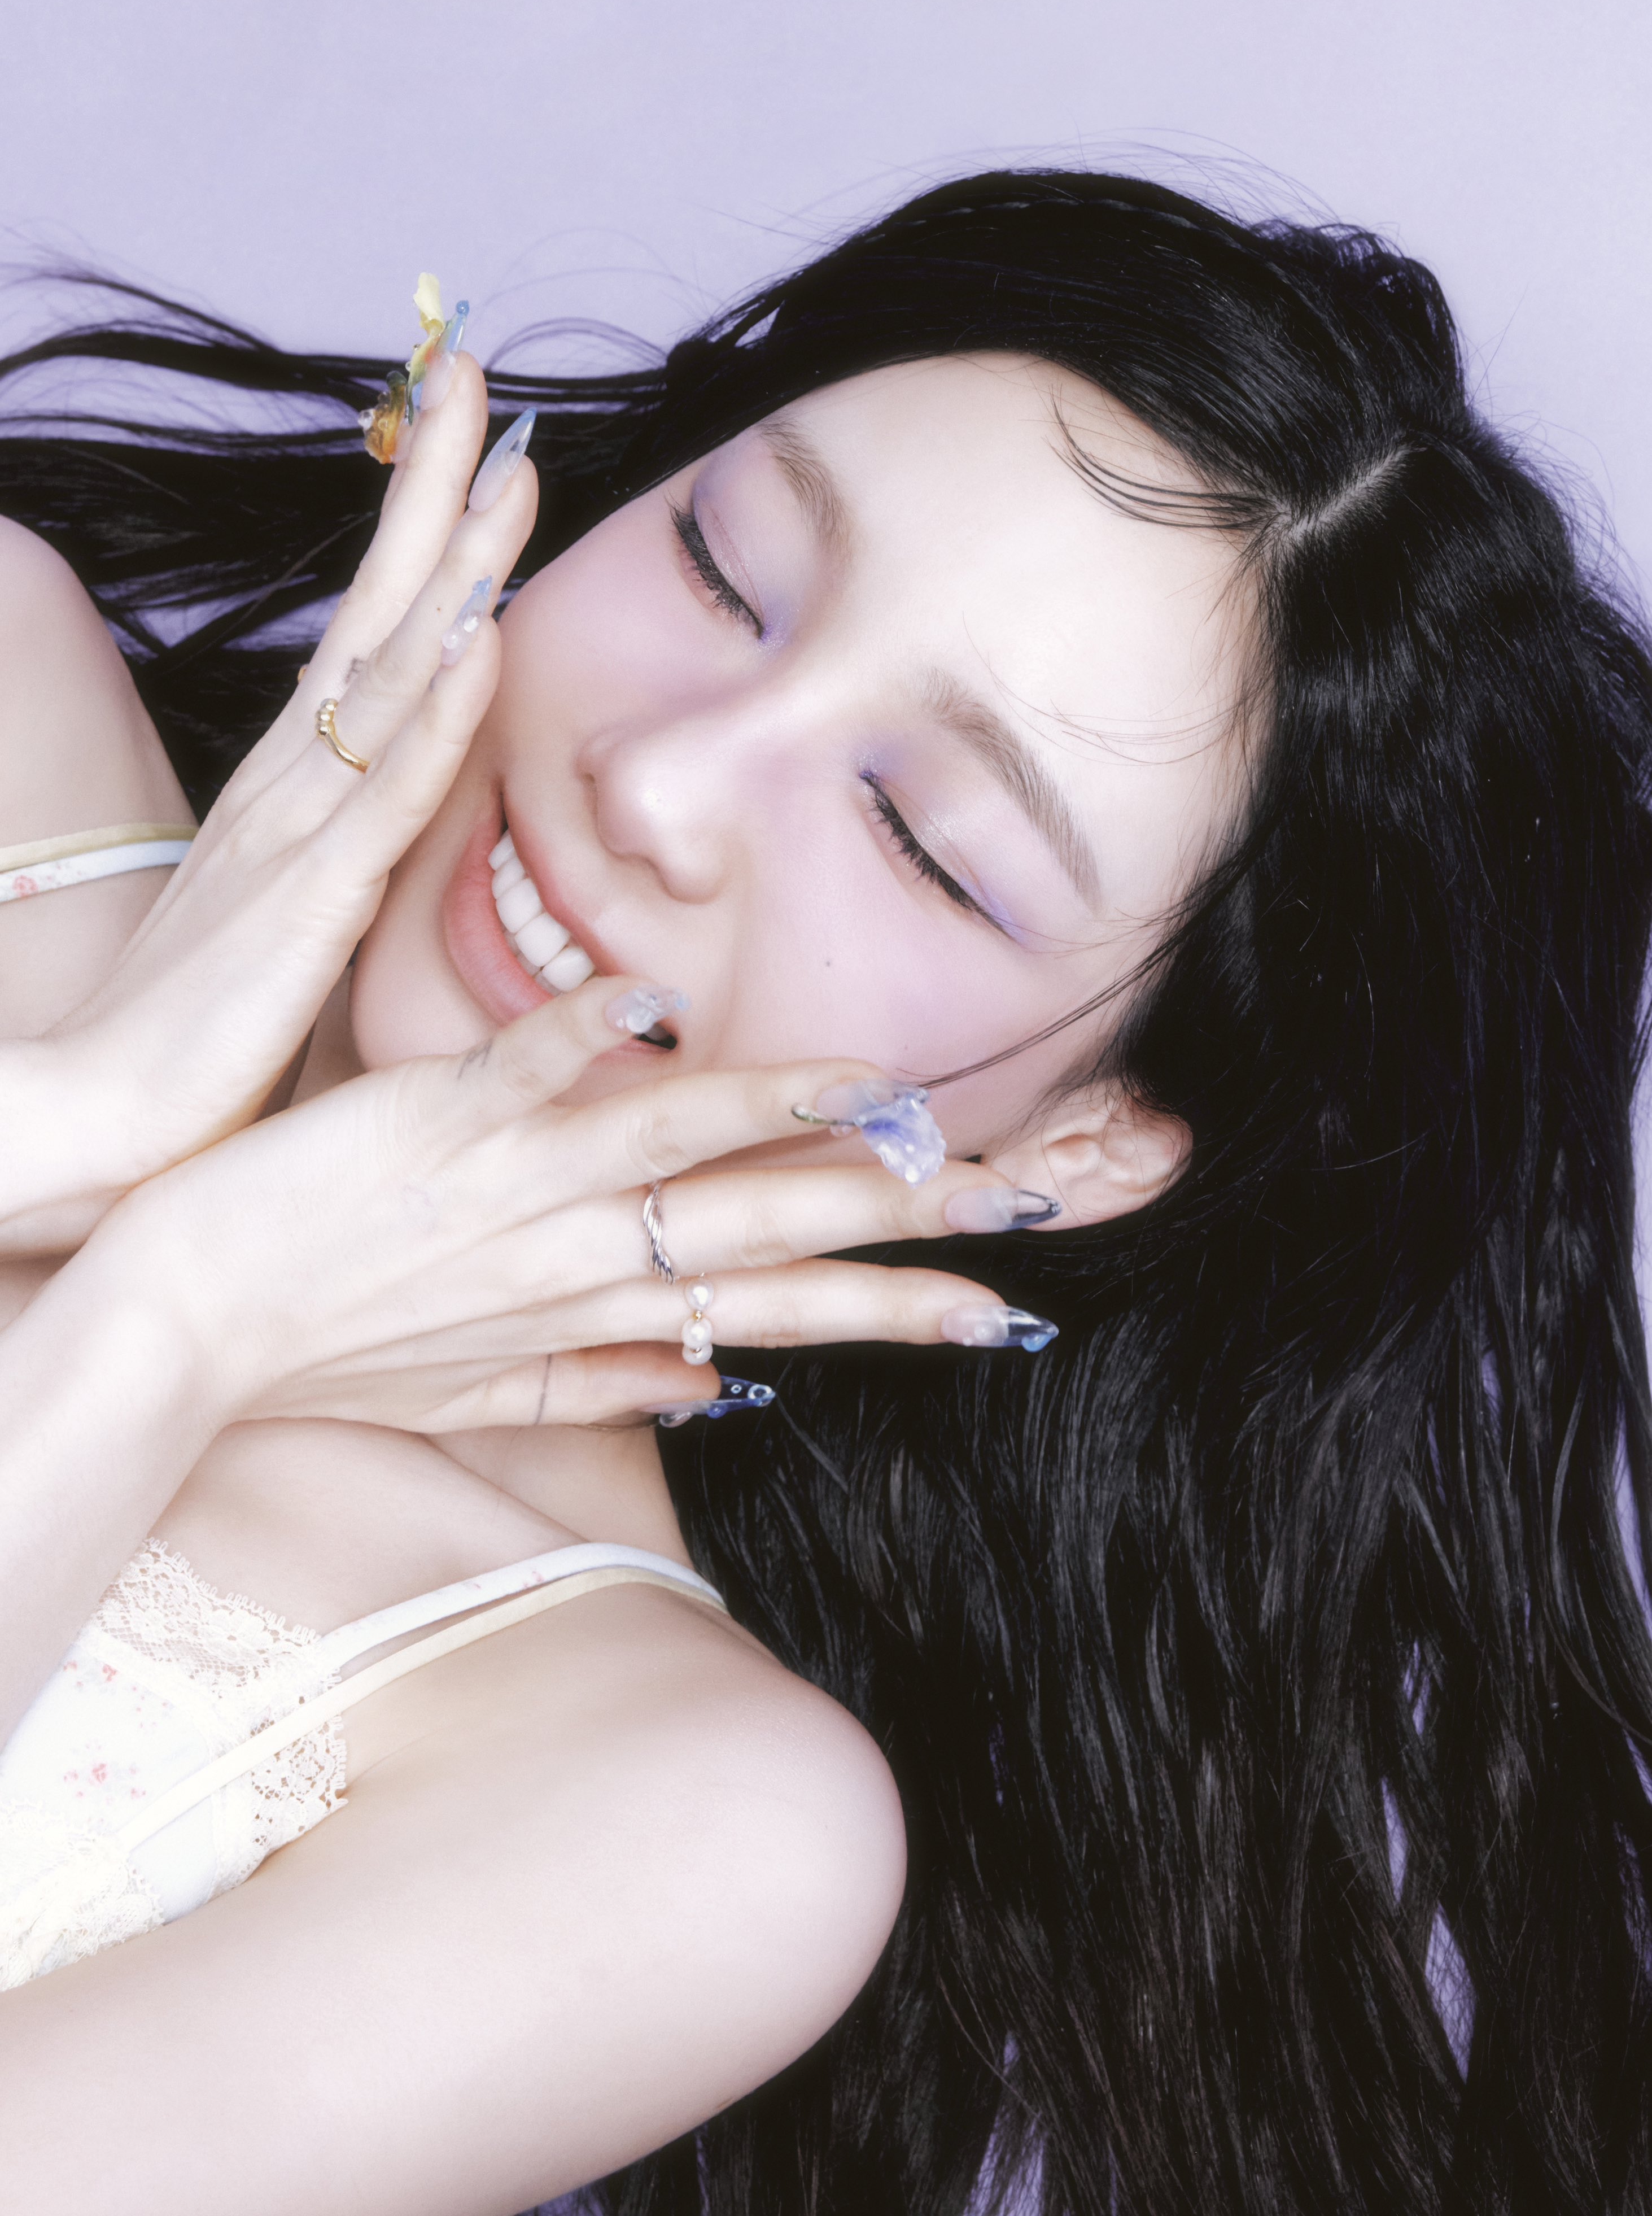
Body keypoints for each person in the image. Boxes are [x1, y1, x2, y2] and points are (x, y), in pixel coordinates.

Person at [0, 169, 1647, 2216]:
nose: (659, 786)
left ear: (1084, 1142)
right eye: (724, 566)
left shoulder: (671, 1816)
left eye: (924, 842)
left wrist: (184, 1310)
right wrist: (73, 1132)